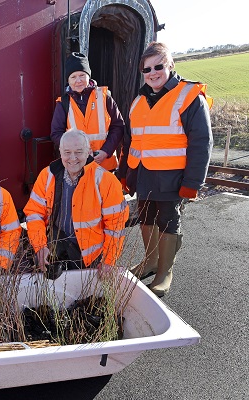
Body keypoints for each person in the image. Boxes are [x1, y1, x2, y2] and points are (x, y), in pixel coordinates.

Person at [119, 42, 213, 297]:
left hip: (174, 175)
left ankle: (164, 273)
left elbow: (201, 142)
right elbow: (132, 142)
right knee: (146, 217)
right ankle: (150, 262)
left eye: (158, 66)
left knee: (169, 220)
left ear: (170, 65)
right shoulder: (138, 101)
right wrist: (128, 174)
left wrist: (193, 183)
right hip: (145, 174)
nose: (153, 72)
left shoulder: (190, 96)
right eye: (147, 69)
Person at [24, 129, 129, 278]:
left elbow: (116, 226)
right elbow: (34, 214)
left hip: (91, 257)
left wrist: (109, 261)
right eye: (67, 152)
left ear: (89, 152)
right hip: (56, 249)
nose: (72, 158)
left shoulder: (106, 181)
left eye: (79, 152)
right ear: (60, 152)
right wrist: (40, 247)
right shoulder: (47, 176)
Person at [50, 52, 125, 171]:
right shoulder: (63, 103)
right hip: (77, 167)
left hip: (105, 165)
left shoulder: (105, 97)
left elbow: (118, 126)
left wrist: (106, 151)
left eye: (82, 75)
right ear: (68, 80)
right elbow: (56, 134)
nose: (78, 80)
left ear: (88, 76)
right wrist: (77, 151)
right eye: (73, 77)